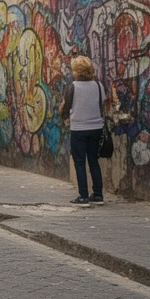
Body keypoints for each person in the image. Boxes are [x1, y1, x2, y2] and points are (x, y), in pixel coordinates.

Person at [62, 55, 106, 204]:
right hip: (96, 128)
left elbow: (66, 108)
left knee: (79, 162)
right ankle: (98, 194)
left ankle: (83, 195)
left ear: (76, 71)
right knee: (93, 160)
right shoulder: (99, 86)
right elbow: (102, 104)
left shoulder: (72, 87)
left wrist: (63, 114)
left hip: (79, 128)